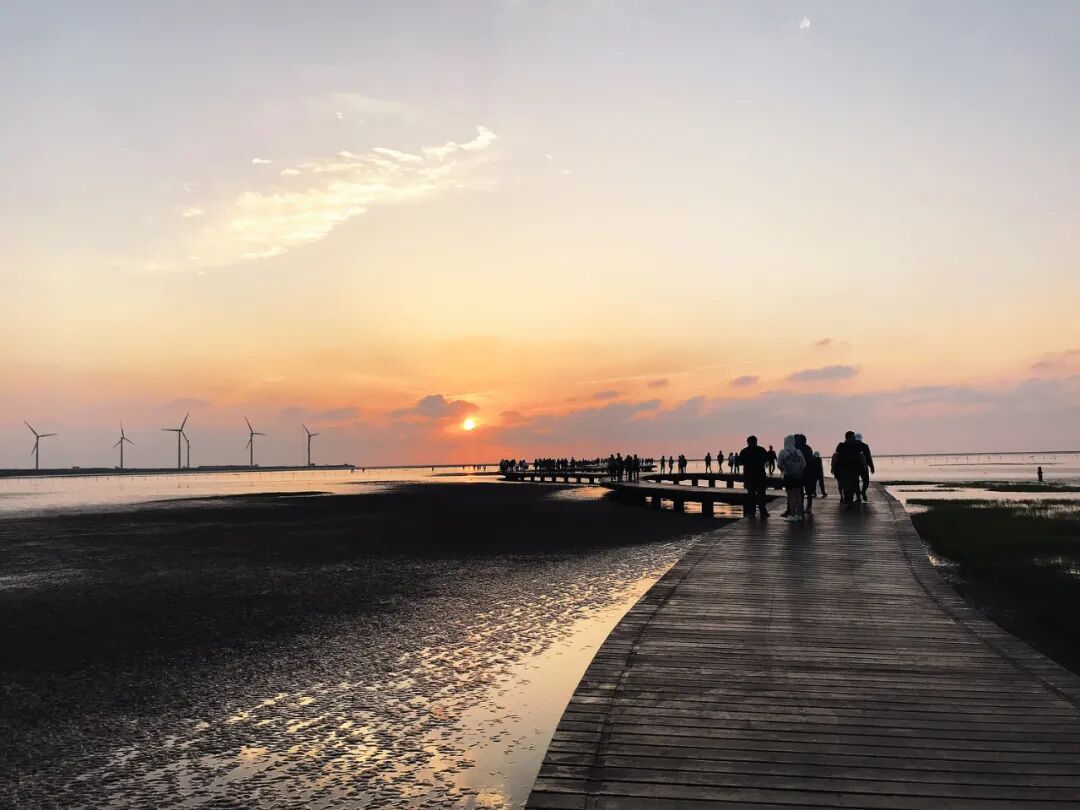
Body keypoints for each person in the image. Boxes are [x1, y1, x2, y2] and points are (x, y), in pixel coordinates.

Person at [738, 435, 770, 518]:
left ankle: (751, 512)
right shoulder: (761, 450)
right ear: (756, 441)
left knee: (751, 495)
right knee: (761, 494)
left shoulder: (744, 451)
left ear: (748, 442)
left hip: (749, 476)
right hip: (760, 476)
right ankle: (763, 511)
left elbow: (740, 462)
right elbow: (766, 460)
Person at [777, 435, 807, 521]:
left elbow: (779, 464)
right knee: (798, 496)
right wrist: (799, 471)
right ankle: (800, 515)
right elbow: (804, 464)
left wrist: (783, 470)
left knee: (791, 496)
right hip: (798, 476)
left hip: (788, 476)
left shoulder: (783, 452)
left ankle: (793, 515)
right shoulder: (798, 451)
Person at [834, 431, 865, 509]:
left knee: (852, 486)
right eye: (853, 437)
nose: (854, 439)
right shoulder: (841, 445)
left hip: (853, 470)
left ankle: (848, 501)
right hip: (844, 470)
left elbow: (861, 456)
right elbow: (835, 456)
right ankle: (848, 501)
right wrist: (833, 467)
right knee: (846, 486)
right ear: (848, 437)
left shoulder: (856, 446)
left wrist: (864, 466)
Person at [794, 434, 816, 516]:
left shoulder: (800, 449)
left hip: (803, 473)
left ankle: (803, 507)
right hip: (807, 473)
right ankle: (807, 507)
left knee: (801, 491)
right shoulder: (807, 449)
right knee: (807, 491)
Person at [854, 433, 875, 500]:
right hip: (861, 467)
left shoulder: (865, 446)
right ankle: (860, 494)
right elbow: (869, 457)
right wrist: (871, 467)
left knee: (864, 482)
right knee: (864, 481)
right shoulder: (864, 446)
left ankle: (862, 493)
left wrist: (872, 467)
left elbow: (868, 457)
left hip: (860, 467)